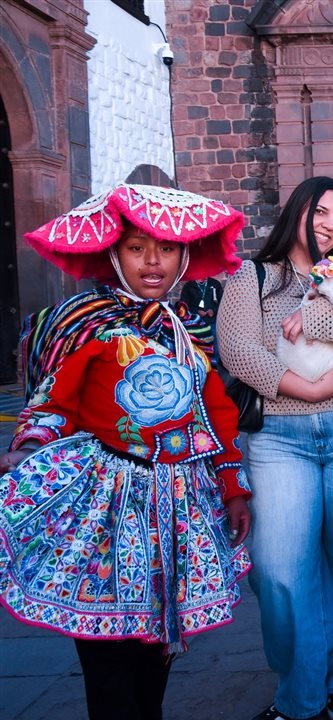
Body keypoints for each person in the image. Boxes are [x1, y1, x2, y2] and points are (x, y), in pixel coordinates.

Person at [0, 183, 251, 720]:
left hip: (179, 505)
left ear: (185, 254)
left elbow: (216, 418)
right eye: (137, 248)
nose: (152, 261)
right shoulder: (87, 324)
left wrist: (233, 488)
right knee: (108, 656)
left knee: (157, 645)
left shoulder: (189, 331)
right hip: (104, 506)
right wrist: (30, 449)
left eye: (164, 248)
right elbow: (54, 402)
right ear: (115, 253)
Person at [217, 176, 333, 720]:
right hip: (279, 436)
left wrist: (322, 314)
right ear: (297, 210)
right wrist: (312, 388)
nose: (329, 225)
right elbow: (240, 352)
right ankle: (300, 692)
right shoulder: (252, 279)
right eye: (321, 213)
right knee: (277, 568)